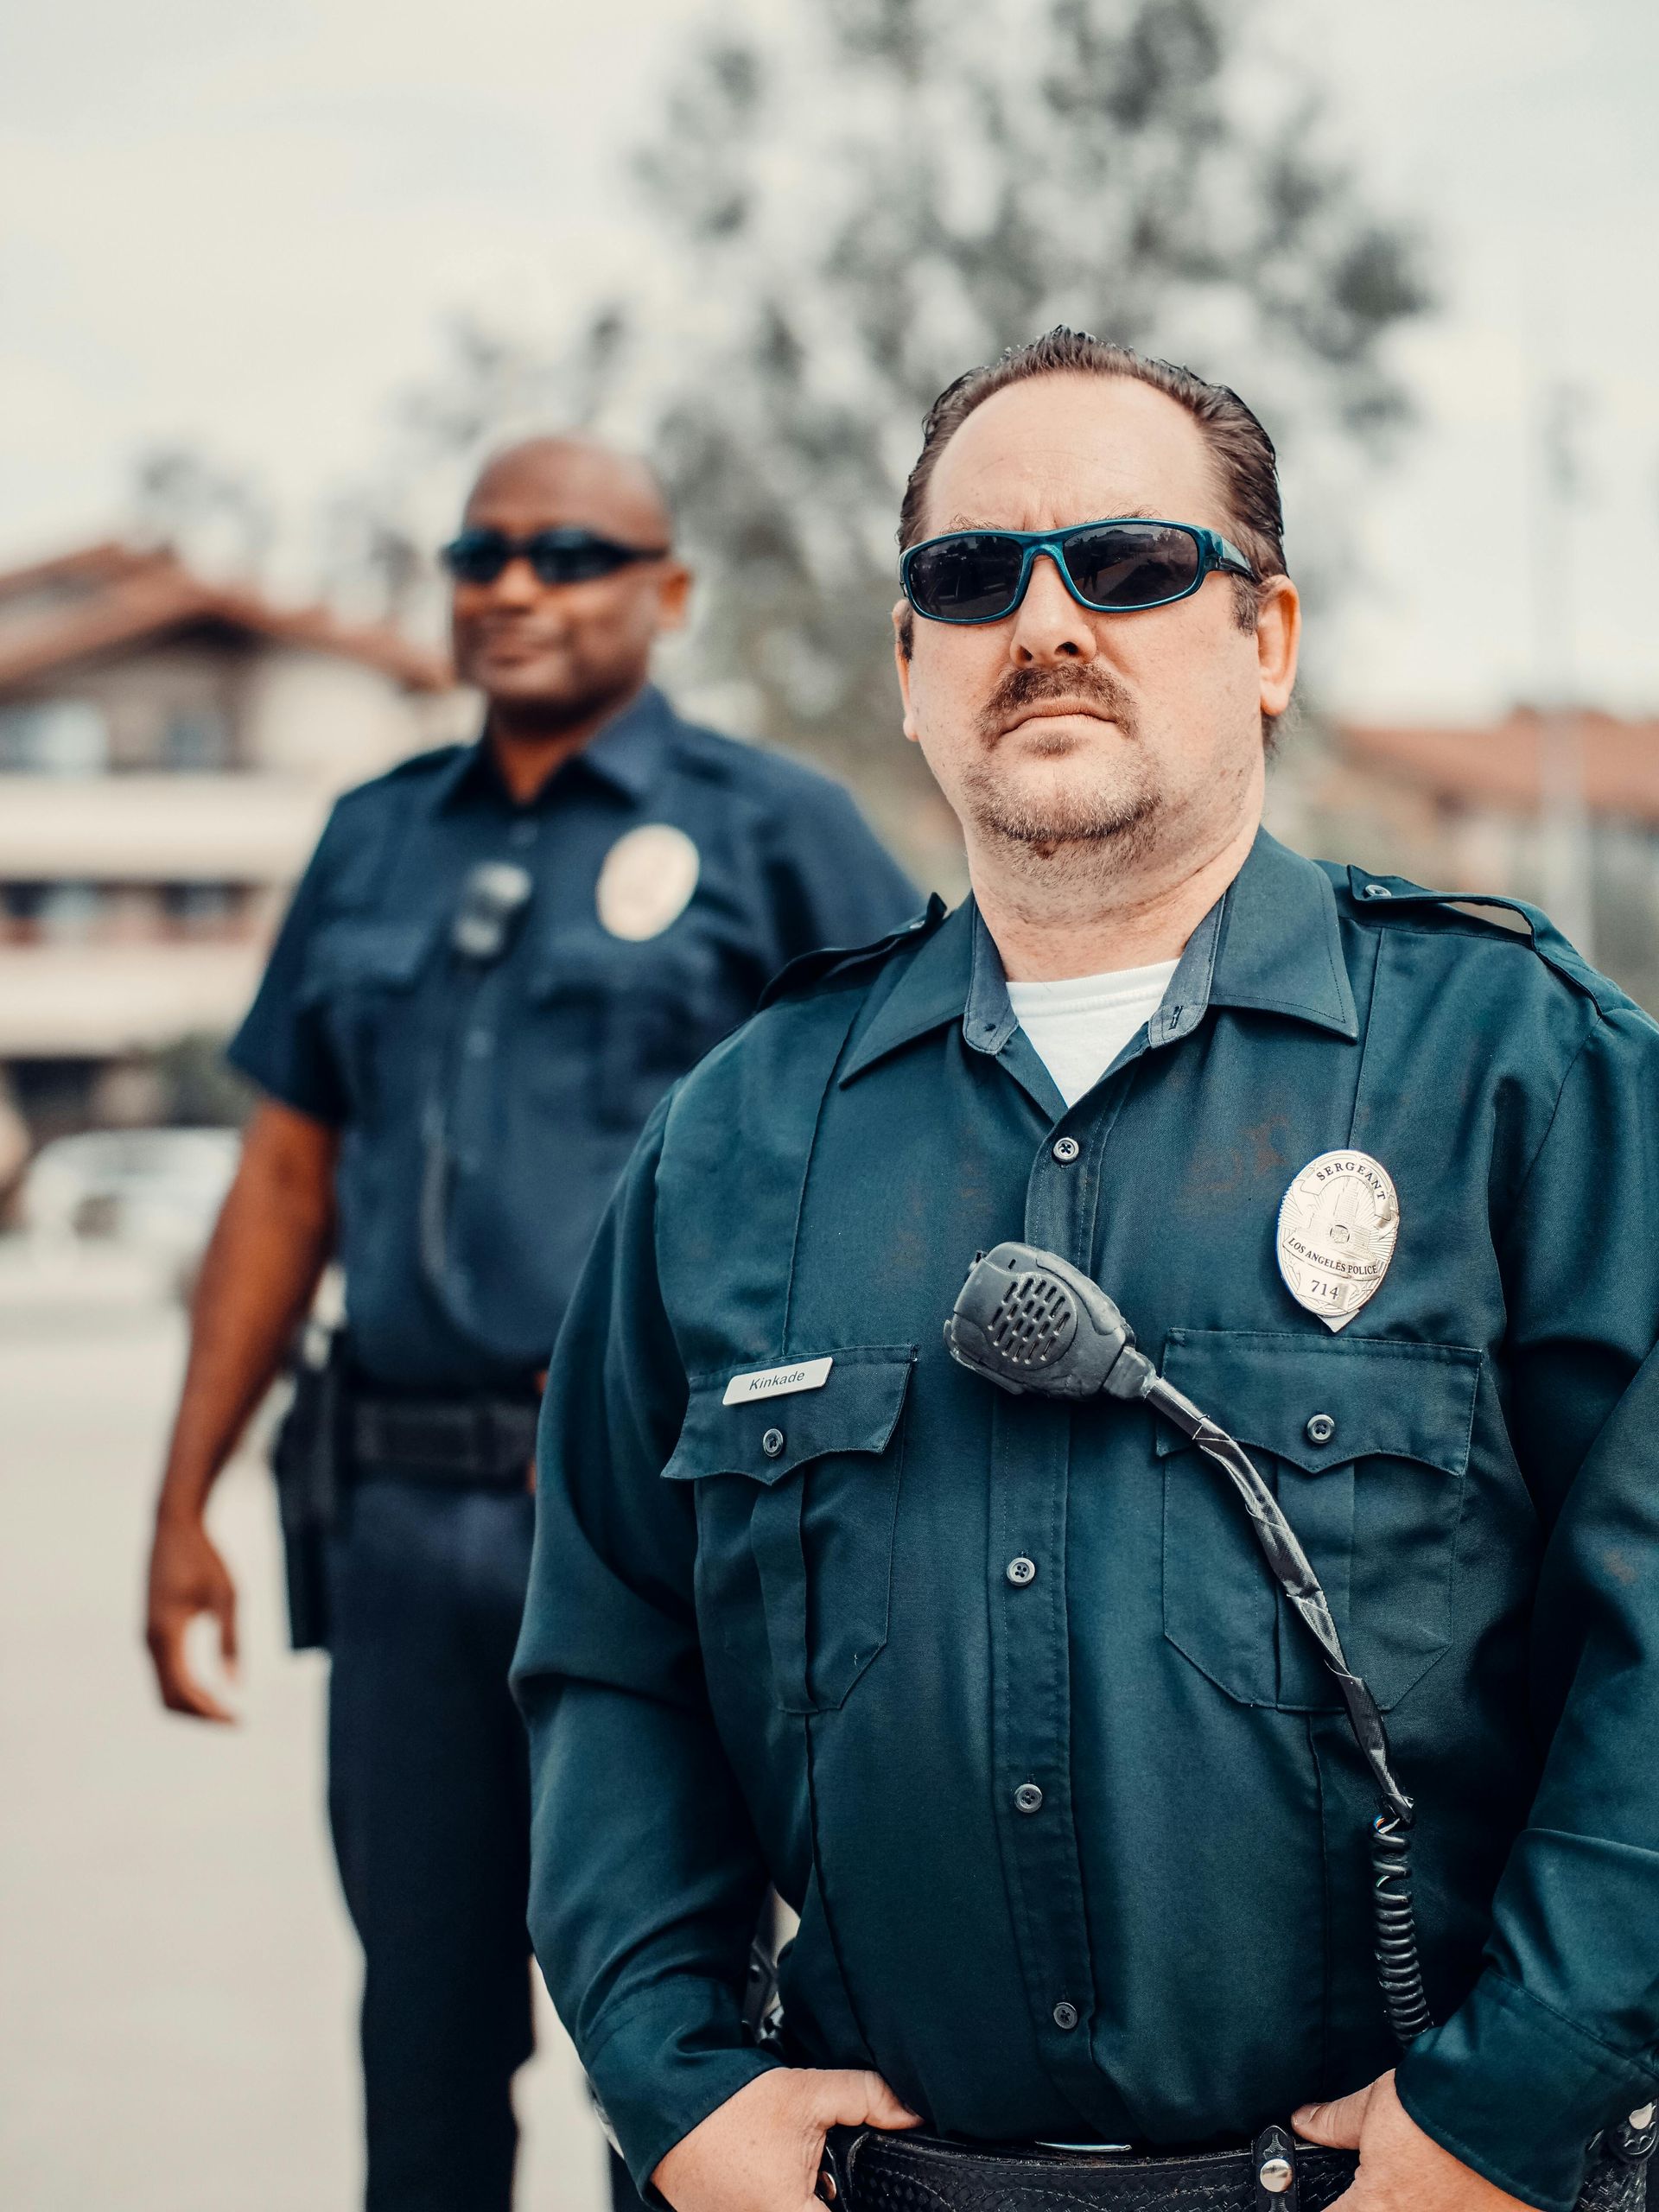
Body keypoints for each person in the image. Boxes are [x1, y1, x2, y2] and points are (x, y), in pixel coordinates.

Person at [511, 332, 1659, 2212]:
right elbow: (606, 1655)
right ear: (907, 668)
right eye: (973, 577)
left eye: (1128, 564)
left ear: (1266, 638)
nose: (1045, 619)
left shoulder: (1525, 1067)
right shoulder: (733, 1138)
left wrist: (1507, 2108)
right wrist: (677, 2084)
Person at [143, 434, 918, 2212]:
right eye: (479, 550)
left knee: (675, 2046)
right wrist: (182, 1500)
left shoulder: (771, 827)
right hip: (405, 1523)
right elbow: (282, 1180)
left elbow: (911, 1127)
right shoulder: (374, 837)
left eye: (568, 551)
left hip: (657, 1539)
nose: (511, 583)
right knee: (419, 2030)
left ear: (667, 594)